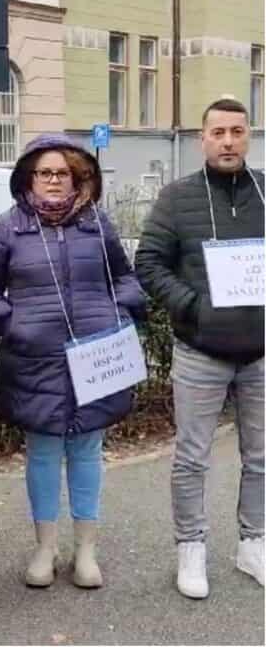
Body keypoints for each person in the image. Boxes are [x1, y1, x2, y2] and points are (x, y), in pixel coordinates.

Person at [0, 134, 146, 590]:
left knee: (88, 450)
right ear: (29, 177)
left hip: (96, 356)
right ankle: (45, 548)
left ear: (77, 178)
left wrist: (121, 312)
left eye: (62, 173)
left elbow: (126, 278)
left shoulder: (98, 224)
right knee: (44, 454)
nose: (54, 180)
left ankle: (86, 549)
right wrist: (13, 324)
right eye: (44, 172)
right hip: (35, 360)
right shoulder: (7, 228)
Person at [135, 98, 265, 598]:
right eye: (218, 133)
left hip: (260, 352)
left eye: (237, 131)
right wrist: (193, 307)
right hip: (200, 351)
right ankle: (191, 548)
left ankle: (253, 542)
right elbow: (148, 264)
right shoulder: (176, 198)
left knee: (261, 457)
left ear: (248, 135)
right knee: (191, 458)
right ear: (202, 139)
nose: (228, 141)